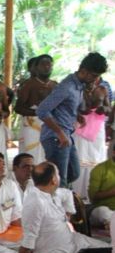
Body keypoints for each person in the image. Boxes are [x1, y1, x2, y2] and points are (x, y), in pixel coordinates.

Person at [14, 162, 109, 253]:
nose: (59, 177)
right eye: (58, 174)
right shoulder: (34, 202)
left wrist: (68, 215)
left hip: (73, 240)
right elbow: (29, 237)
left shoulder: (55, 193)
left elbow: (68, 193)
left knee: (109, 249)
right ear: (54, 180)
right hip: (50, 252)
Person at [37, 52, 108, 186]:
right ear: (84, 71)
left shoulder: (79, 85)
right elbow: (41, 110)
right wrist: (59, 133)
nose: (96, 79)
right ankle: (56, 194)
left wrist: (76, 115)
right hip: (55, 137)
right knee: (60, 179)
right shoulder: (67, 87)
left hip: (67, 134)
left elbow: (64, 106)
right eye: (94, 76)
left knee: (74, 173)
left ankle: (58, 192)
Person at [73, 76, 111, 200]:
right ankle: (77, 195)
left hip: (97, 128)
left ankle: (91, 194)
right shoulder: (77, 89)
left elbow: (109, 108)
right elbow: (71, 107)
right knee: (79, 157)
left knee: (95, 157)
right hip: (80, 126)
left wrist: (103, 109)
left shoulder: (102, 90)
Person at [15, 55, 57, 163]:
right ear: (36, 67)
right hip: (33, 125)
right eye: (43, 65)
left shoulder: (55, 85)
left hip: (50, 125)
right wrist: (38, 112)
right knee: (32, 156)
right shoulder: (28, 85)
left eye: (49, 65)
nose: (46, 67)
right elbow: (18, 108)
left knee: (48, 156)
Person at [88, 142, 115, 227]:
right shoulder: (100, 169)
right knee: (103, 212)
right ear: (114, 153)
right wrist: (112, 192)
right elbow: (92, 197)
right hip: (104, 210)